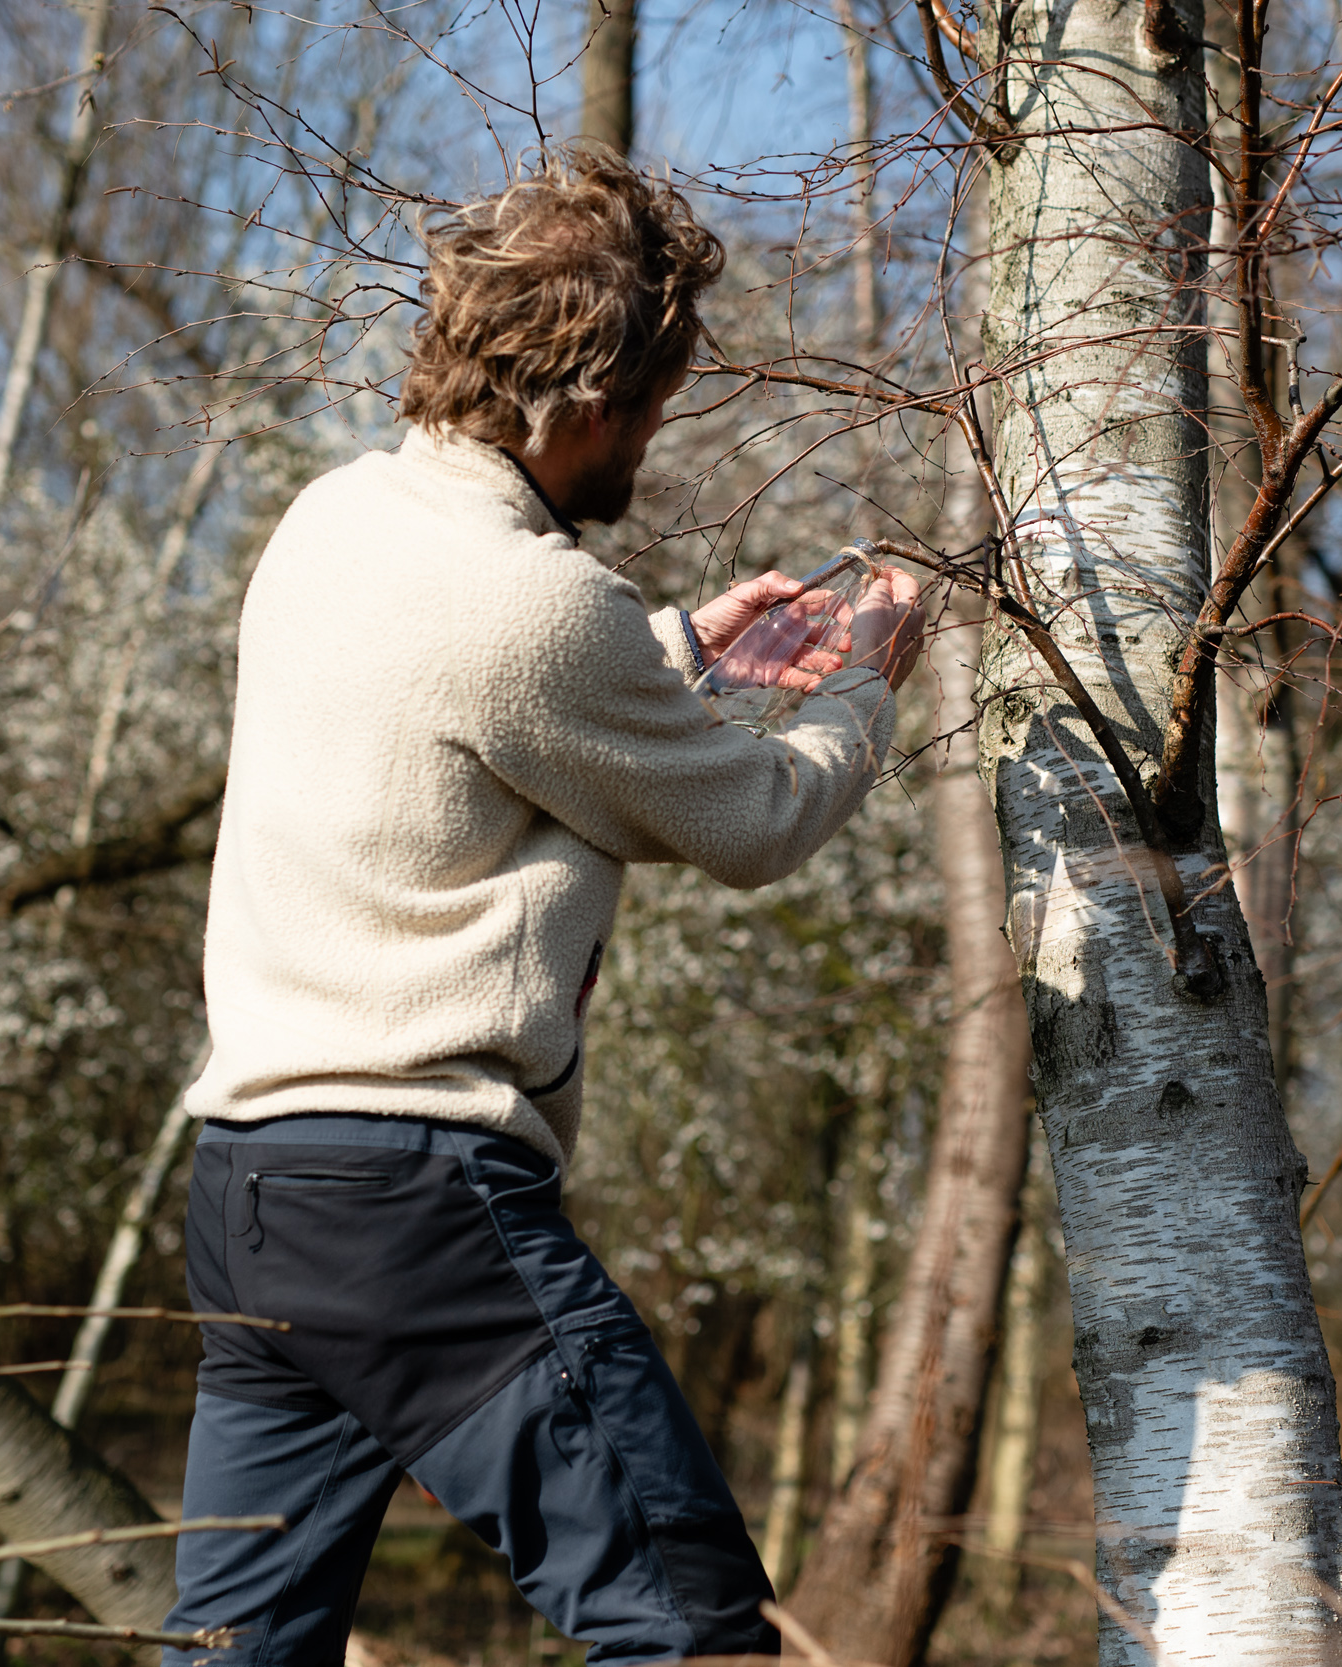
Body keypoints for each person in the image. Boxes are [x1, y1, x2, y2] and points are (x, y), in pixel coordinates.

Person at [160, 148, 923, 1667]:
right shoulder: (532, 605)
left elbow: (448, 717)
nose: (658, 429)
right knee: (690, 1625)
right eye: (653, 401)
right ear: (587, 403)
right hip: (415, 1206)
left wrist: (674, 659)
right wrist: (863, 684)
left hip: (253, 1193)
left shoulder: (334, 521)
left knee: (237, 1654)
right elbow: (757, 820)